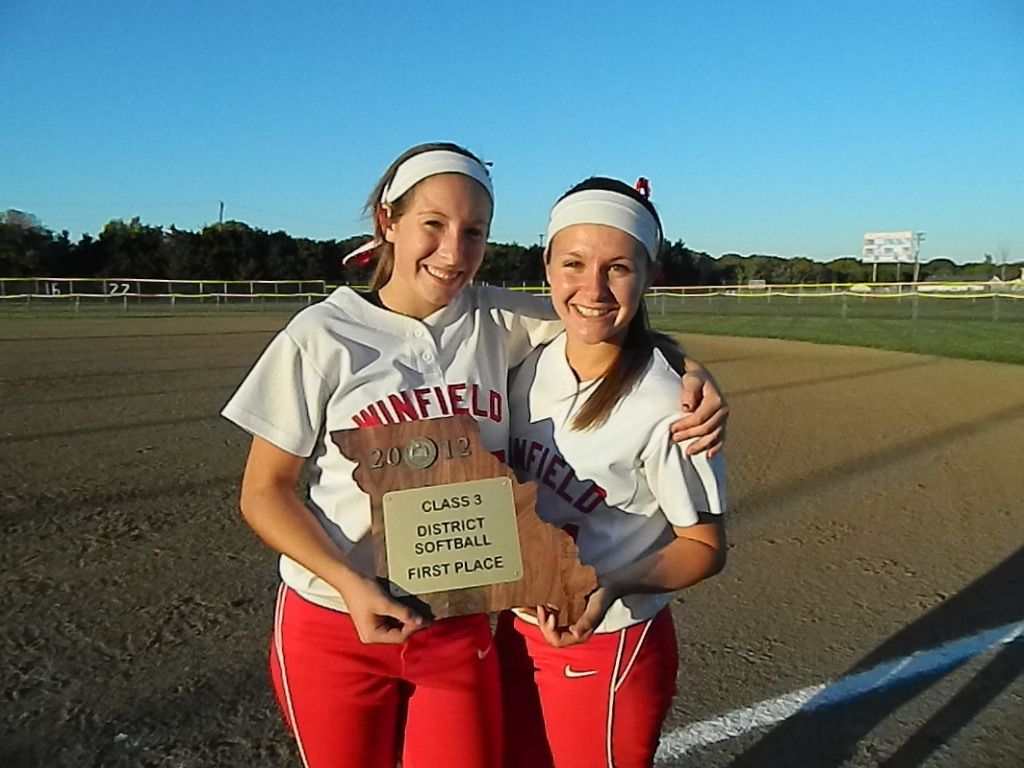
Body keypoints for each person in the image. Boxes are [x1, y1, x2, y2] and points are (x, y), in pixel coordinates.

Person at [221, 143, 727, 768]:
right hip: (334, 620)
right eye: (432, 224)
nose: (453, 251)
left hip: (454, 621)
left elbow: (602, 321)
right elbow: (263, 491)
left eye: (474, 232)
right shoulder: (322, 335)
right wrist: (351, 587)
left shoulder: (496, 318)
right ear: (388, 220)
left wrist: (690, 371)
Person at [497, 177, 728, 768]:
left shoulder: (669, 403)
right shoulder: (526, 362)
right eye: (573, 263)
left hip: (607, 640)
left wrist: (613, 583)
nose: (592, 289)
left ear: (649, 275)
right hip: (515, 629)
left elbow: (704, 547)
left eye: (618, 267)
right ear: (546, 265)